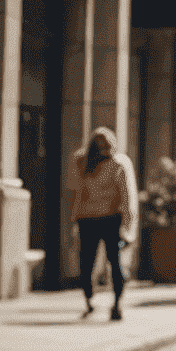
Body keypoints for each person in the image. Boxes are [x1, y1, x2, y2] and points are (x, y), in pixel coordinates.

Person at [71, 127, 137, 321]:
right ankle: (117, 302)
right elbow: (126, 195)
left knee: (87, 262)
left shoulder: (82, 162)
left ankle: (89, 300)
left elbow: (76, 193)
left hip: (87, 219)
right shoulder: (118, 163)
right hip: (110, 218)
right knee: (114, 261)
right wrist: (127, 224)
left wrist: (74, 220)